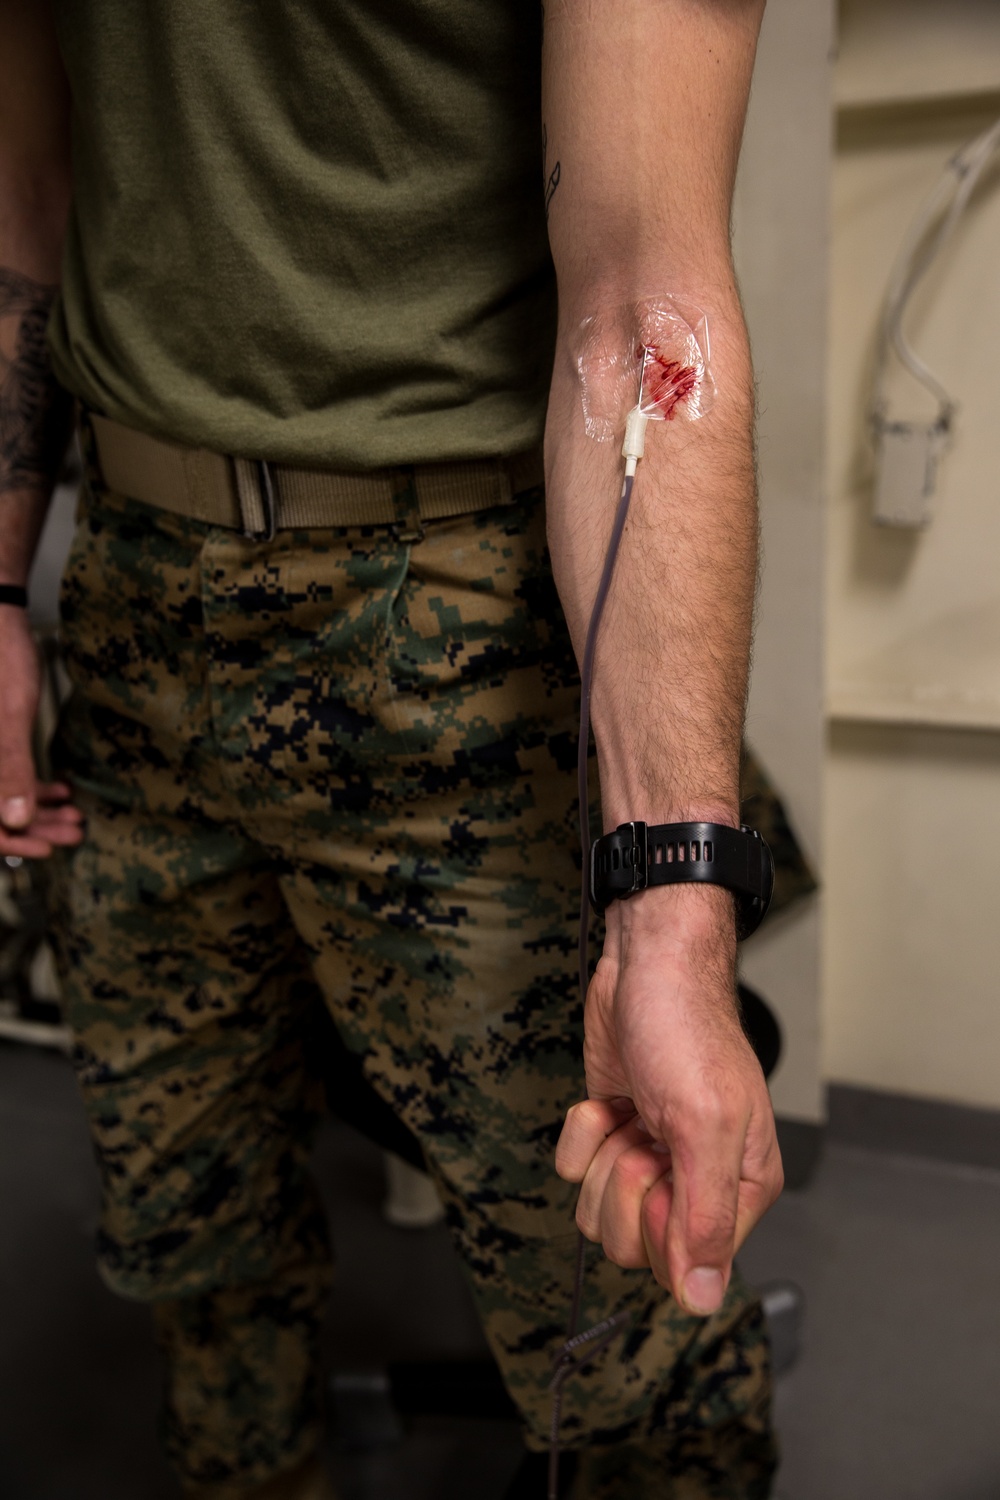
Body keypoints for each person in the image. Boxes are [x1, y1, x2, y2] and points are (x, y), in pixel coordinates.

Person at [0, 2, 784, 1496]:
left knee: (614, 1311)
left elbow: (643, 320)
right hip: (135, 599)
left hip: (456, 631)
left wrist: (673, 923)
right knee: (194, 1243)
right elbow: (26, 186)